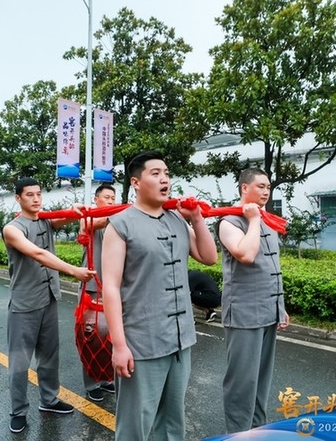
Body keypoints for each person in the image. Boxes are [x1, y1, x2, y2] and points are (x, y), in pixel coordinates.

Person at [101, 150, 217, 440]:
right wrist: (119, 345)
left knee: (172, 420)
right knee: (135, 425)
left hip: (180, 339)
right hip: (142, 342)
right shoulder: (120, 225)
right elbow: (111, 288)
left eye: (166, 173)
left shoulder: (177, 220)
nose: (164, 179)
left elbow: (208, 257)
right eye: (156, 173)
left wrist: (197, 220)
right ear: (136, 182)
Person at [2, 177, 95, 434]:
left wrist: (76, 208)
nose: (35, 198)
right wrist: (73, 271)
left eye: (38, 194)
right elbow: (39, 254)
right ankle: (18, 411)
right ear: (18, 199)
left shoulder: (45, 220)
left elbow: (66, 217)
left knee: (49, 355)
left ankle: (49, 400)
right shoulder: (12, 228)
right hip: (24, 304)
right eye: (29, 195)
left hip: (48, 298)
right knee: (20, 362)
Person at [216, 167, 290, 433]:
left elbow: (271, 267)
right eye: (261, 186)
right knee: (242, 383)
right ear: (244, 188)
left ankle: (257, 431)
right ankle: (237, 434)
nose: (266, 192)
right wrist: (254, 220)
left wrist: (280, 306)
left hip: (268, 311)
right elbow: (246, 255)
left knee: (261, 380)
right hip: (245, 314)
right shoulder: (229, 222)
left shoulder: (267, 220)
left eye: (268, 187)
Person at [77, 183, 117, 402]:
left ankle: (107, 378)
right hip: (93, 286)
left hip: (114, 286)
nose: (111, 201)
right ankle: (92, 383)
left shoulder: (117, 221)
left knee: (111, 335)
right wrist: (120, 214)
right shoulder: (88, 217)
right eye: (107, 197)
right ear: (96, 199)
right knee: (91, 336)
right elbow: (88, 227)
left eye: (113, 198)